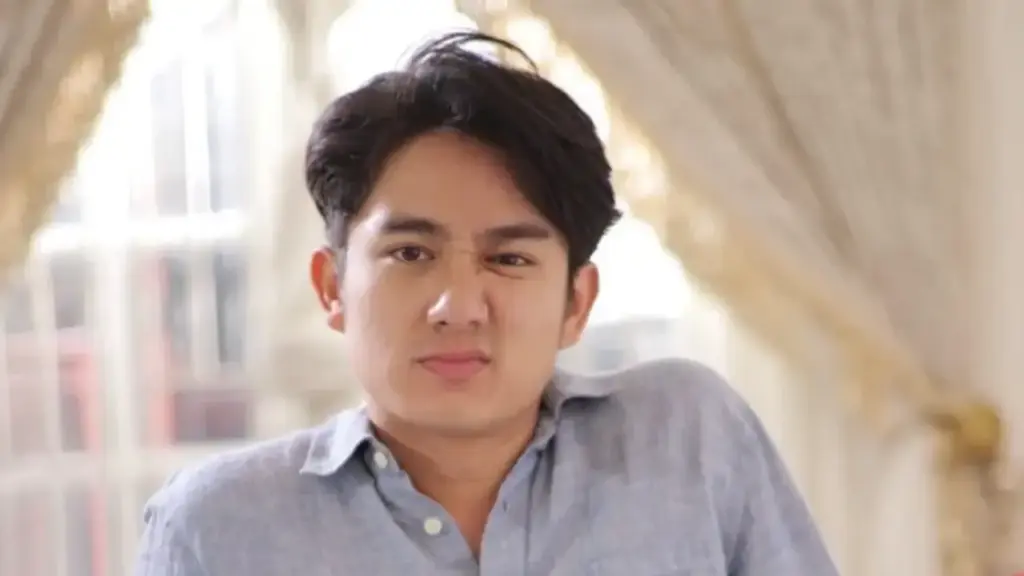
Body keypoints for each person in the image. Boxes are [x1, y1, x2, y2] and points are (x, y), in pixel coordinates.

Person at [135, 31, 837, 575]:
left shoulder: (688, 436)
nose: (458, 306)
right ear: (332, 288)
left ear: (576, 303)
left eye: (509, 259)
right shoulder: (217, 529)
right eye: (411, 254)